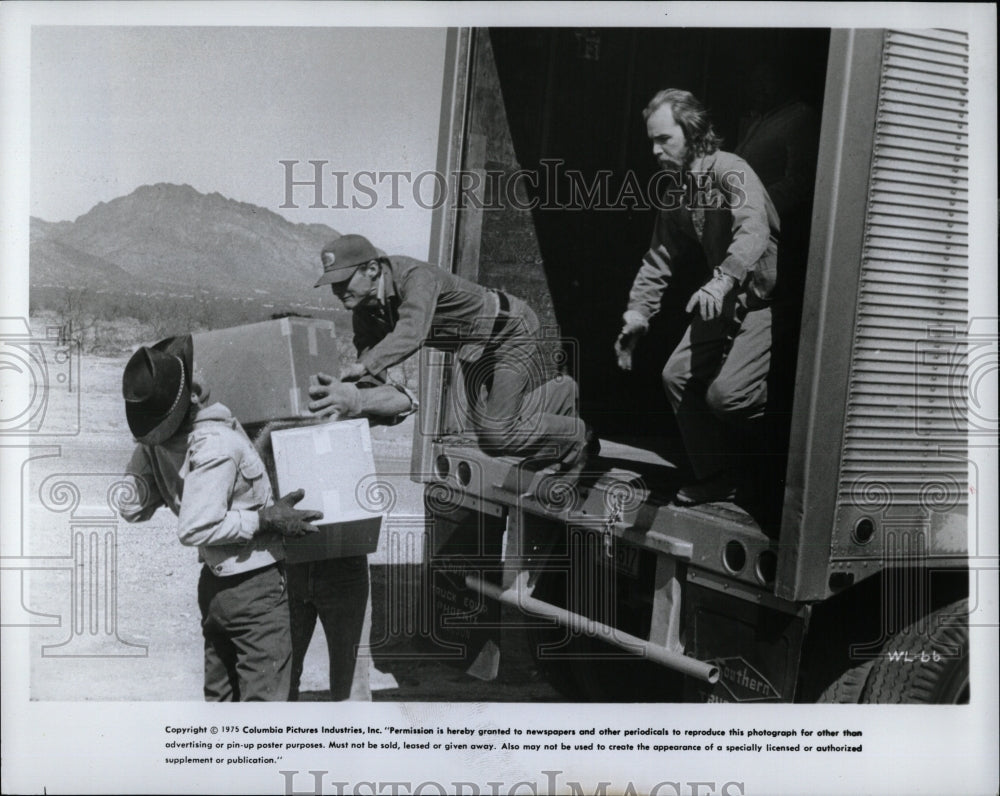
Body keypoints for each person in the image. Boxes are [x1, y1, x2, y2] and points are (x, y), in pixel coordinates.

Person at [117, 335, 322, 701]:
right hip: (253, 586)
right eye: (191, 374)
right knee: (265, 706)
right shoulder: (215, 443)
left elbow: (130, 506)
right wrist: (265, 520)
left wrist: (151, 450)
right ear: (193, 394)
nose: (200, 371)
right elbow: (196, 525)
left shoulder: (165, 444)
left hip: (214, 588)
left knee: (221, 700)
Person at [615, 88, 781, 506]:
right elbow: (658, 257)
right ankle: (717, 476)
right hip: (722, 298)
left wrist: (723, 279)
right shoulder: (677, 190)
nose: (654, 150)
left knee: (728, 398)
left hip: (762, 299)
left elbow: (754, 231)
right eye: (651, 140)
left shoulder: (732, 170)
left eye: (663, 139)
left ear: (691, 133)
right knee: (676, 376)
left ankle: (789, 443)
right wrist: (638, 313)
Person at [313, 233, 588, 468]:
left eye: (342, 280)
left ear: (371, 269)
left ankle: (579, 433)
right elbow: (371, 367)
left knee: (497, 435)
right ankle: (562, 395)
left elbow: (412, 331)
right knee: (485, 434)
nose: (336, 290)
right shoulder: (366, 310)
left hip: (510, 331)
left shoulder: (415, 277)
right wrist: (353, 401)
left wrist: (363, 366)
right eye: (332, 283)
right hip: (473, 346)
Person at [256, 375, 416, 702]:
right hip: (284, 567)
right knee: (278, 684)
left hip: (342, 565)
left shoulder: (334, 403)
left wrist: (354, 398)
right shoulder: (261, 414)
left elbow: (405, 400)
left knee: (352, 690)